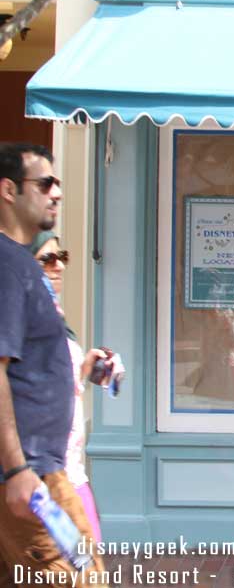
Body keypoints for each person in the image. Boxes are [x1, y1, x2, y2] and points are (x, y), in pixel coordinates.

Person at [0, 143, 106, 585]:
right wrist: (18, 469)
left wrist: (81, 373)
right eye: (44, 183)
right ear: (8, 190)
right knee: (81, 578)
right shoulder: (7, 266)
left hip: (43, 467)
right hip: (33, 476)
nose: (57, 192)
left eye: (58, 183)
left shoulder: (23, 266)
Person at [31, 231, 121, 543]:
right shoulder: (24, 318)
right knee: (79, 568)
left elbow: (53, 386)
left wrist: (84, 371)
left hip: (71, 471)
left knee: (84, 561)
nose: (59, 266)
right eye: (47, 259)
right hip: (45, 477)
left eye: (62, 257)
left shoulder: (53, 314)